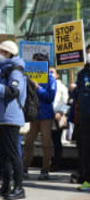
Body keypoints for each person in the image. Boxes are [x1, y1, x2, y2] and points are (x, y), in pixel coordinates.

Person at [0, 40, 26, 199]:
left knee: (13, 154)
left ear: (8, 53)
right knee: (3, 155)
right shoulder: (3, 70)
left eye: (1, 51)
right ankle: (6, 186)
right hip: (1, 117)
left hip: (11, 117)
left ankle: (19, 188)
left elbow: (12, 92)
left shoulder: (15, 70)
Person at [23, 56, 57, 180]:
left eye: (38, 62)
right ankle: (24, 167)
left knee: (46, 143)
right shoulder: (29, 77)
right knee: (28, 142)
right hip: (33, 114)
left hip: (46, 115)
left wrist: (39, 88)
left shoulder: (50, 78)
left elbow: (50, 97)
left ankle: (45, 169)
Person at [76, 44, 90, 191]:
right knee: (86, 150)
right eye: (88, 53)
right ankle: (88, 179)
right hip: (86, 117)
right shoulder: (82, 74)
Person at [49, 68, 69, 171]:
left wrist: (61, 112)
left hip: (57, 117)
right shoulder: (45, 85)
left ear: (57, 75)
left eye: (52, 72)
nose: (50, 74)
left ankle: (56, 163)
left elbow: (66, 102)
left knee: (57, 141)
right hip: (46, 116)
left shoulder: (62, 87)